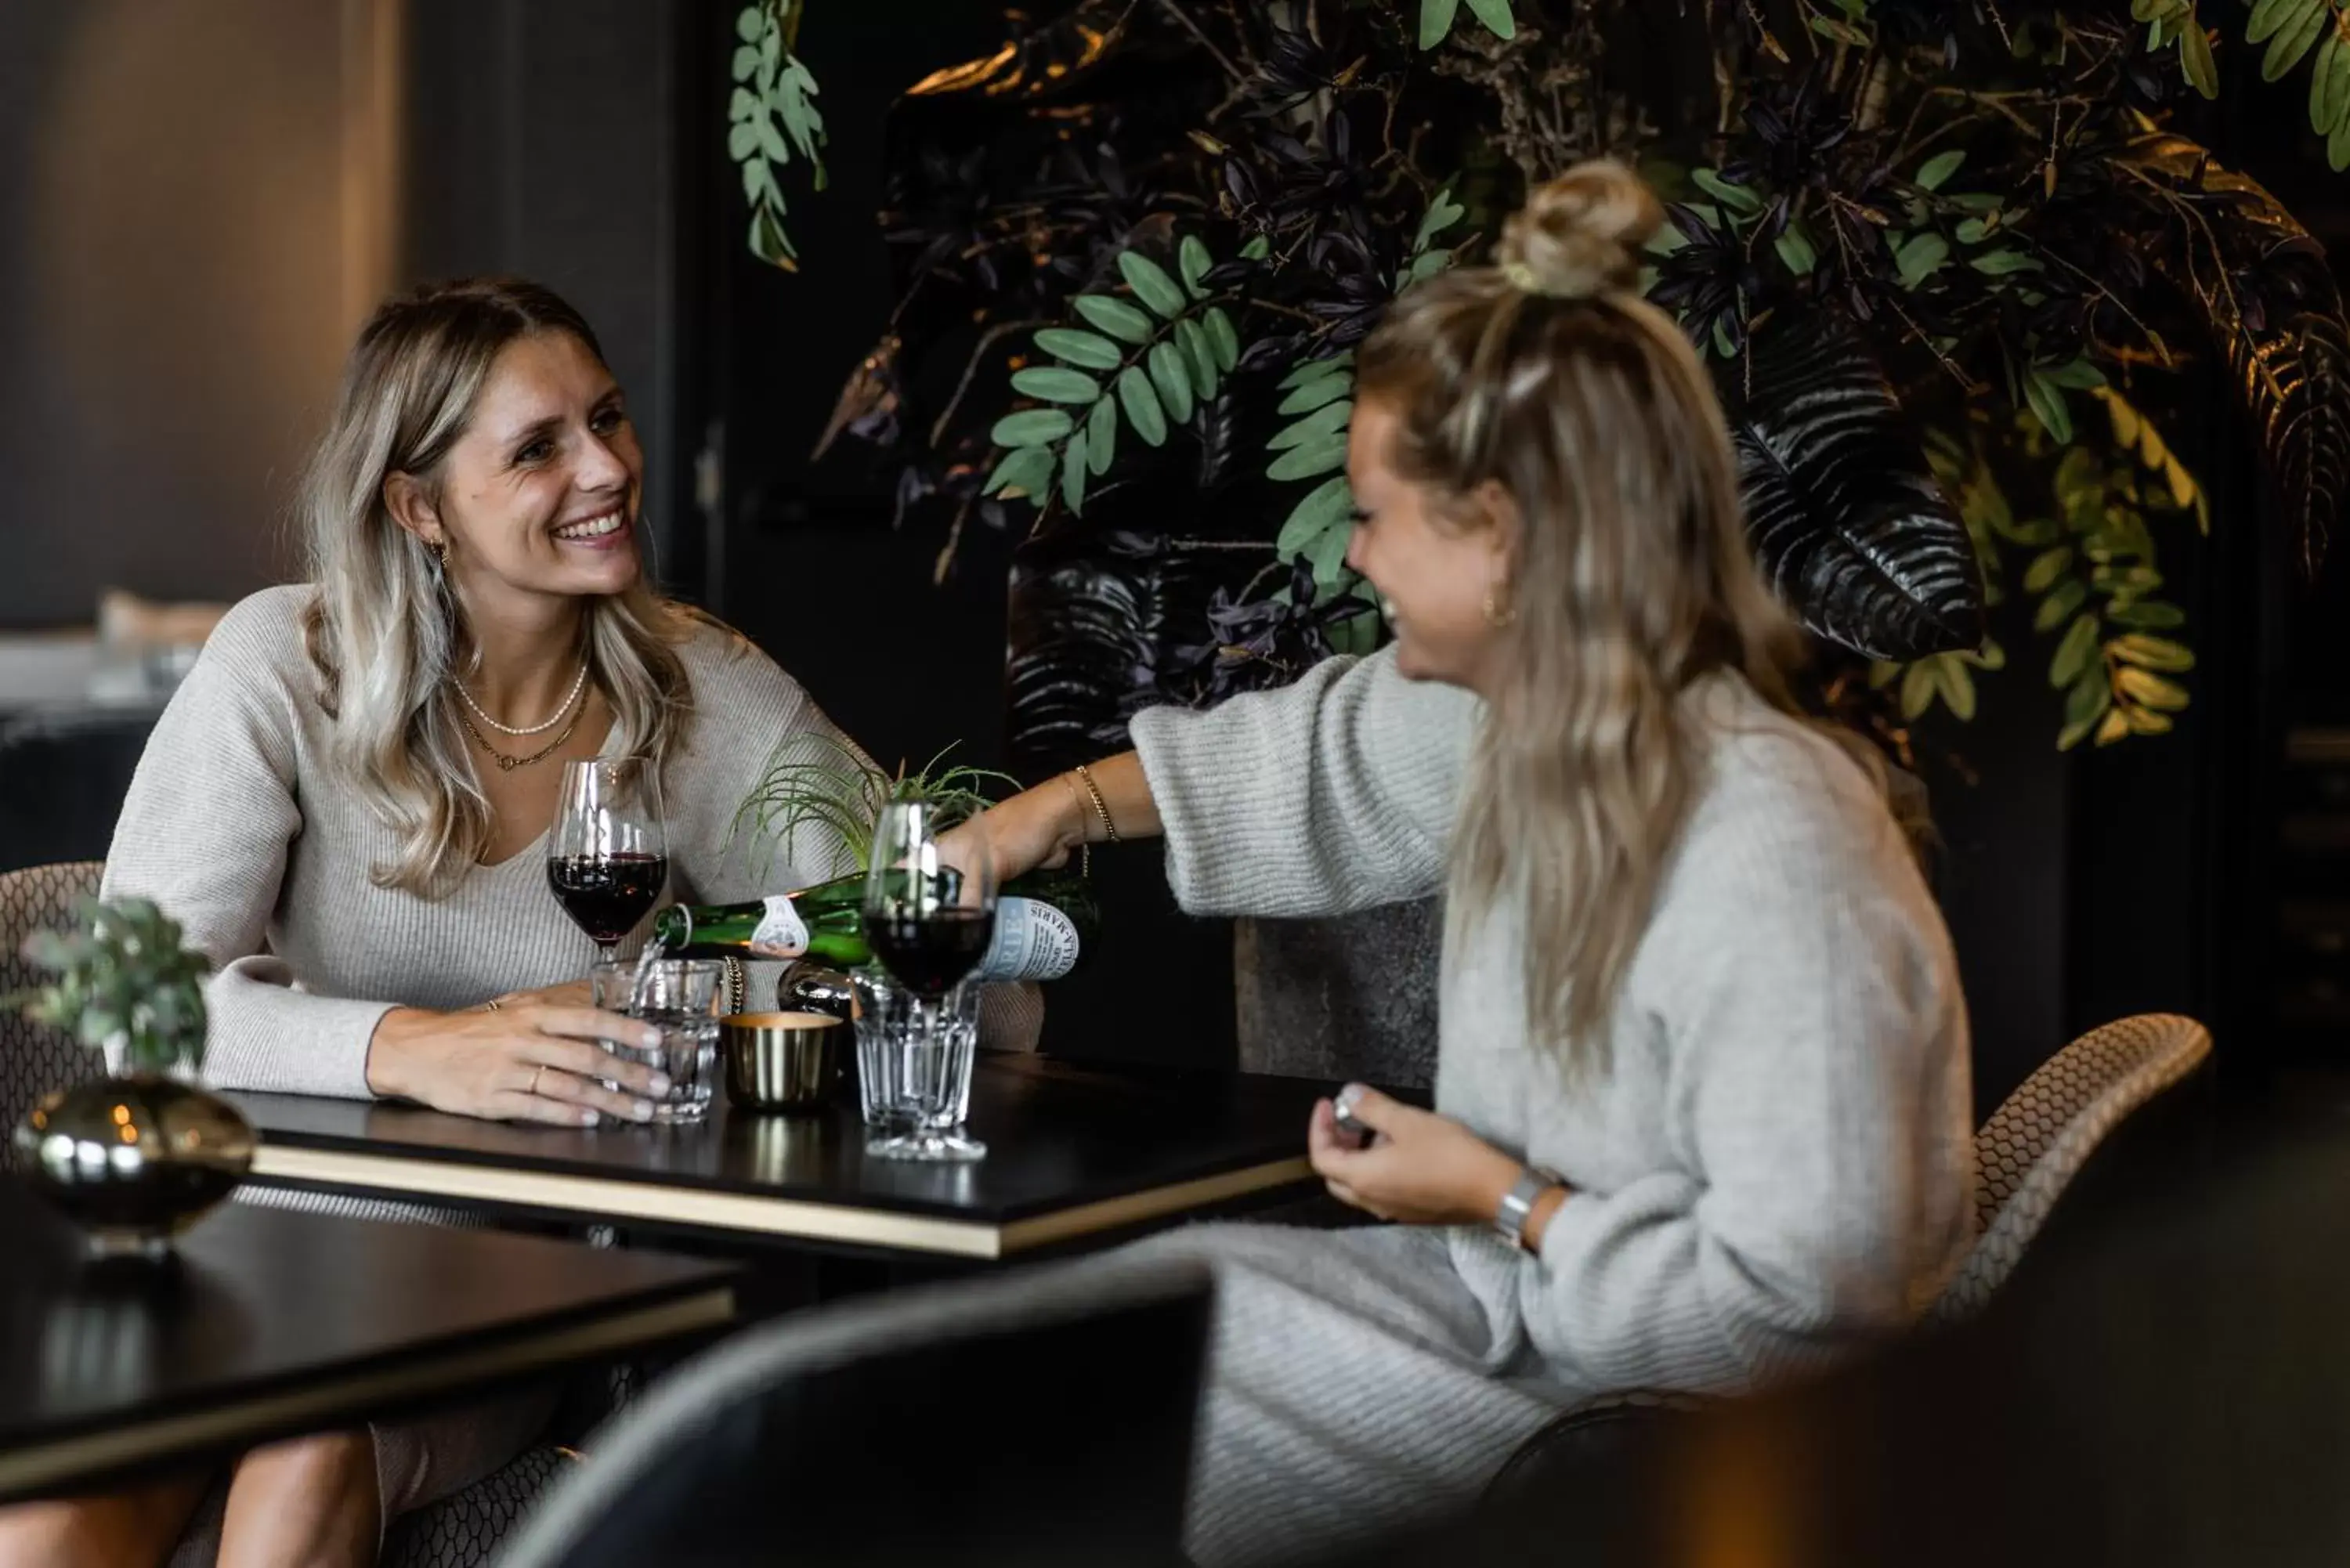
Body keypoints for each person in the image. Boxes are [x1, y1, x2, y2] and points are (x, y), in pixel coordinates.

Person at [949, 161, 1975, 1566]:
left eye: (1373, 511)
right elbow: (1305, 760)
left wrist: (1499, 1195)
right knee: (1045, 1346)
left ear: (1504, 538)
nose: (1353, 553)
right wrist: (1024, 824)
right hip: (1510, 1306)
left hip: (1653, 1421)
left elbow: (1810, 1312)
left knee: (1068, 1430)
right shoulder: (1526, 727)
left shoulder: (1768, 843)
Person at [0, 278, 1030, 1568]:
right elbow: (130, 1014)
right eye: (539, 447)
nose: (606, 467)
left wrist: (713, 989)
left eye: (607, 419)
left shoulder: (699, 690)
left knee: (309, 1445)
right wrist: (415, 1046)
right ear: (421, 507)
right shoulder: (282, 664)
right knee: (49, 1516)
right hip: (244, 1251)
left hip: (504, 1289)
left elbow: (934, 934)